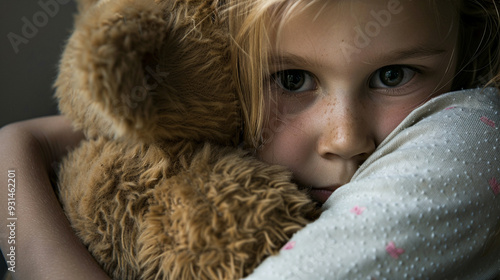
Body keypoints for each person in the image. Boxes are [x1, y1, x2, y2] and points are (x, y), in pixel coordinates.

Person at [0, 0, 499, 279]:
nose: (346, 140)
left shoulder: (468, 140)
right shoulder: (204, 120)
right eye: (291, 81)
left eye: (393, 75)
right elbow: (14, 152)